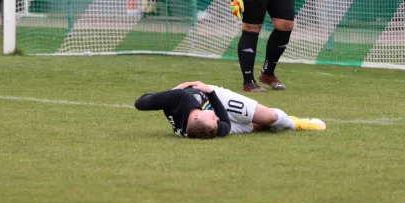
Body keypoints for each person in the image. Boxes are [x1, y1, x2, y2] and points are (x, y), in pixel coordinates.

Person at [134, 80, 326, 139]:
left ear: (197, 115)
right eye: (216, 122)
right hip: (212, 97)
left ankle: (295, 124)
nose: (215, 119)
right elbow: (222, 121)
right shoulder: (215, 128)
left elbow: (140, 102)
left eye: (213, 119)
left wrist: (167, 93)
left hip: (217, 97)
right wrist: (210, 94)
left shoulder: (177, 99)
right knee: (260, 126)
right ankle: (284, 121)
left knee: (268, 116)